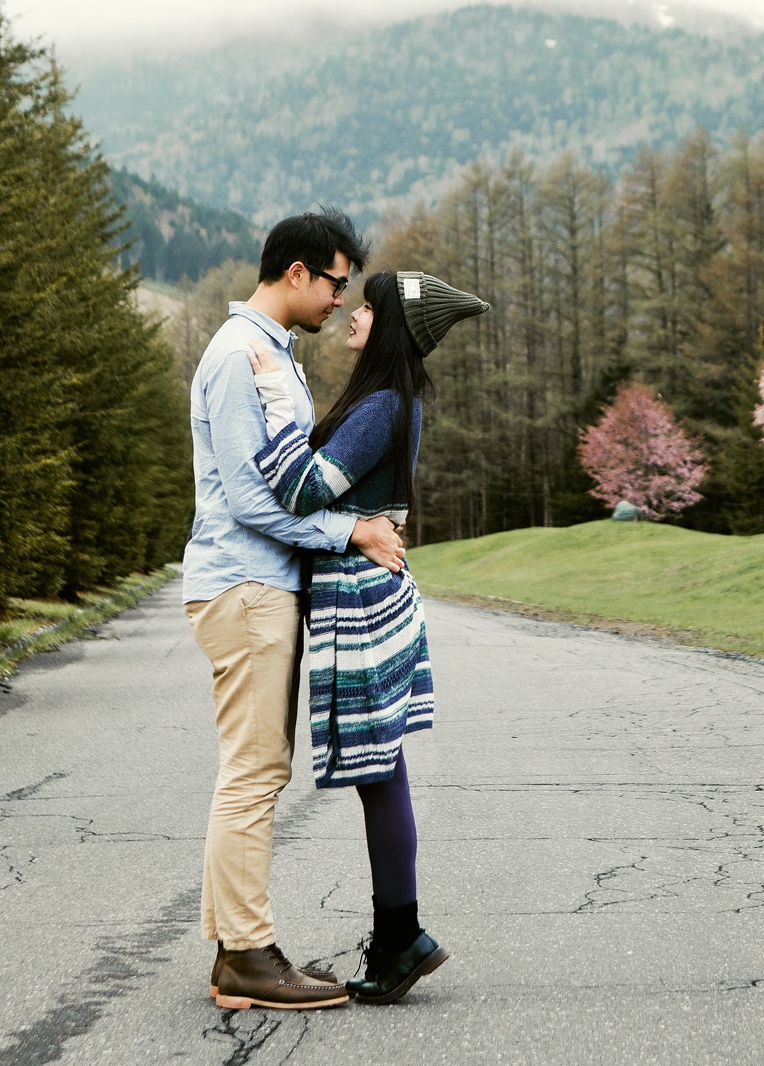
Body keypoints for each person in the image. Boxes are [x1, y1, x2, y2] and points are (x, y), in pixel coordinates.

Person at [183, 209, 408, 1013]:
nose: (341, 300)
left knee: (252, 769)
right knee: (253, 772)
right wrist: (351, 527)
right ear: (298, 273)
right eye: (337, 282)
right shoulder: (241, 355)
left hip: (259, 584)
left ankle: (232, 950)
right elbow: (248, 497)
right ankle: (247, 955)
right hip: (245, 584)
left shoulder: (269, 352)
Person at [247, 268, 489, 1006]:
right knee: (386, 772)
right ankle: (397, 935)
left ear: (389, 325)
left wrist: (273, 397)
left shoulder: (383, 404)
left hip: (358, 598)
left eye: (368, 304)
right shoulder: (395, 401)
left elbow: (300, 489)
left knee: (379, 774)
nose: (352, 312)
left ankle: (401, 936)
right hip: (376, 591)